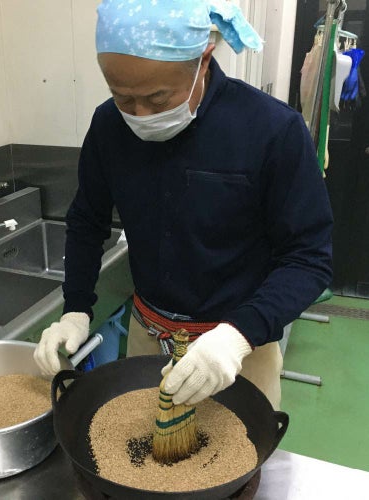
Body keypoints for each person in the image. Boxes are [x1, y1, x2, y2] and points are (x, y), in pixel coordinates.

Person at [33, 0, 333, 411]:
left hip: (236, 353)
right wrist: (76, 309)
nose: (140, 115)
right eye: (123, 98)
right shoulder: (108, 126)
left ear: (203, 60)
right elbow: (86, 222)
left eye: (157, 99)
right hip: (148, 339)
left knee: (239, 448)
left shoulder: (271, 130)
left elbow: (309, 258)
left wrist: (236, 337)